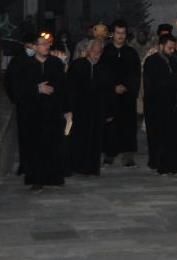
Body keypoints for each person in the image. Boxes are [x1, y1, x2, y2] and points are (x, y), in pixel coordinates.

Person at [16, 32, 72, 191]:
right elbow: (18, 88)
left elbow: (63, 87)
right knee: (35, 147)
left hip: (53, 112)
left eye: (48, 44)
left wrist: (67, 109)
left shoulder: (56, 63)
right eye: (42, 44)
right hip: (33, 113)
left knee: (54, 145)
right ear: (34, 47)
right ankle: (36, 179)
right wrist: (37, 89)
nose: (46, 47)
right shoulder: (25, 65)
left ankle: (54, 177)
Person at [143, 34, 177, 174]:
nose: (172, 51)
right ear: (161, 46)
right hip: (157, 107)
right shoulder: (151, 61)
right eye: (169, 48)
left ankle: (174, 164)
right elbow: (156, 83)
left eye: (173, 48)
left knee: (173, 137)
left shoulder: (173, 60)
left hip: (173, 106)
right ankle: (160, 164)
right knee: (159, 138)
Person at [66, 39, 112, 175]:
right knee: (79, 139)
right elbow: (69, 88)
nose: (95, 55)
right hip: (79, 109)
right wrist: (68, 108)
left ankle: (92, 168)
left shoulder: (105, 68)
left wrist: (109, 111)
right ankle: (77, 166)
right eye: (93, 51)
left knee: (95, 140)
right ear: (88, 51)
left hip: (97, 110)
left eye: (98, 52)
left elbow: (109, 92)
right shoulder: (76, 65)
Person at [101, 20, 141, 167]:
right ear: (112, 34)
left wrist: (127, 87)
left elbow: (136, 74)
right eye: (118, 32)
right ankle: (109, 154)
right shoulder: (105, 52)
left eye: (123, 33)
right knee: (110, 125)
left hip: (127, 96)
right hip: (110, 96)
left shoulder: (131, 52)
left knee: (128, 126)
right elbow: (102, 74)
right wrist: (112, 87)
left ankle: (128, 156)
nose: (120, 36)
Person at [4, 32, 37, 175]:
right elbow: (10, 82)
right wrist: (16, 99)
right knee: (24, 137)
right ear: (26, 46)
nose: (33, 48)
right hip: (24, 105)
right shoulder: (17, 61)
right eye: (31, 45)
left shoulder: (40, 59)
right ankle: (25, 165)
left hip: (39, 104)